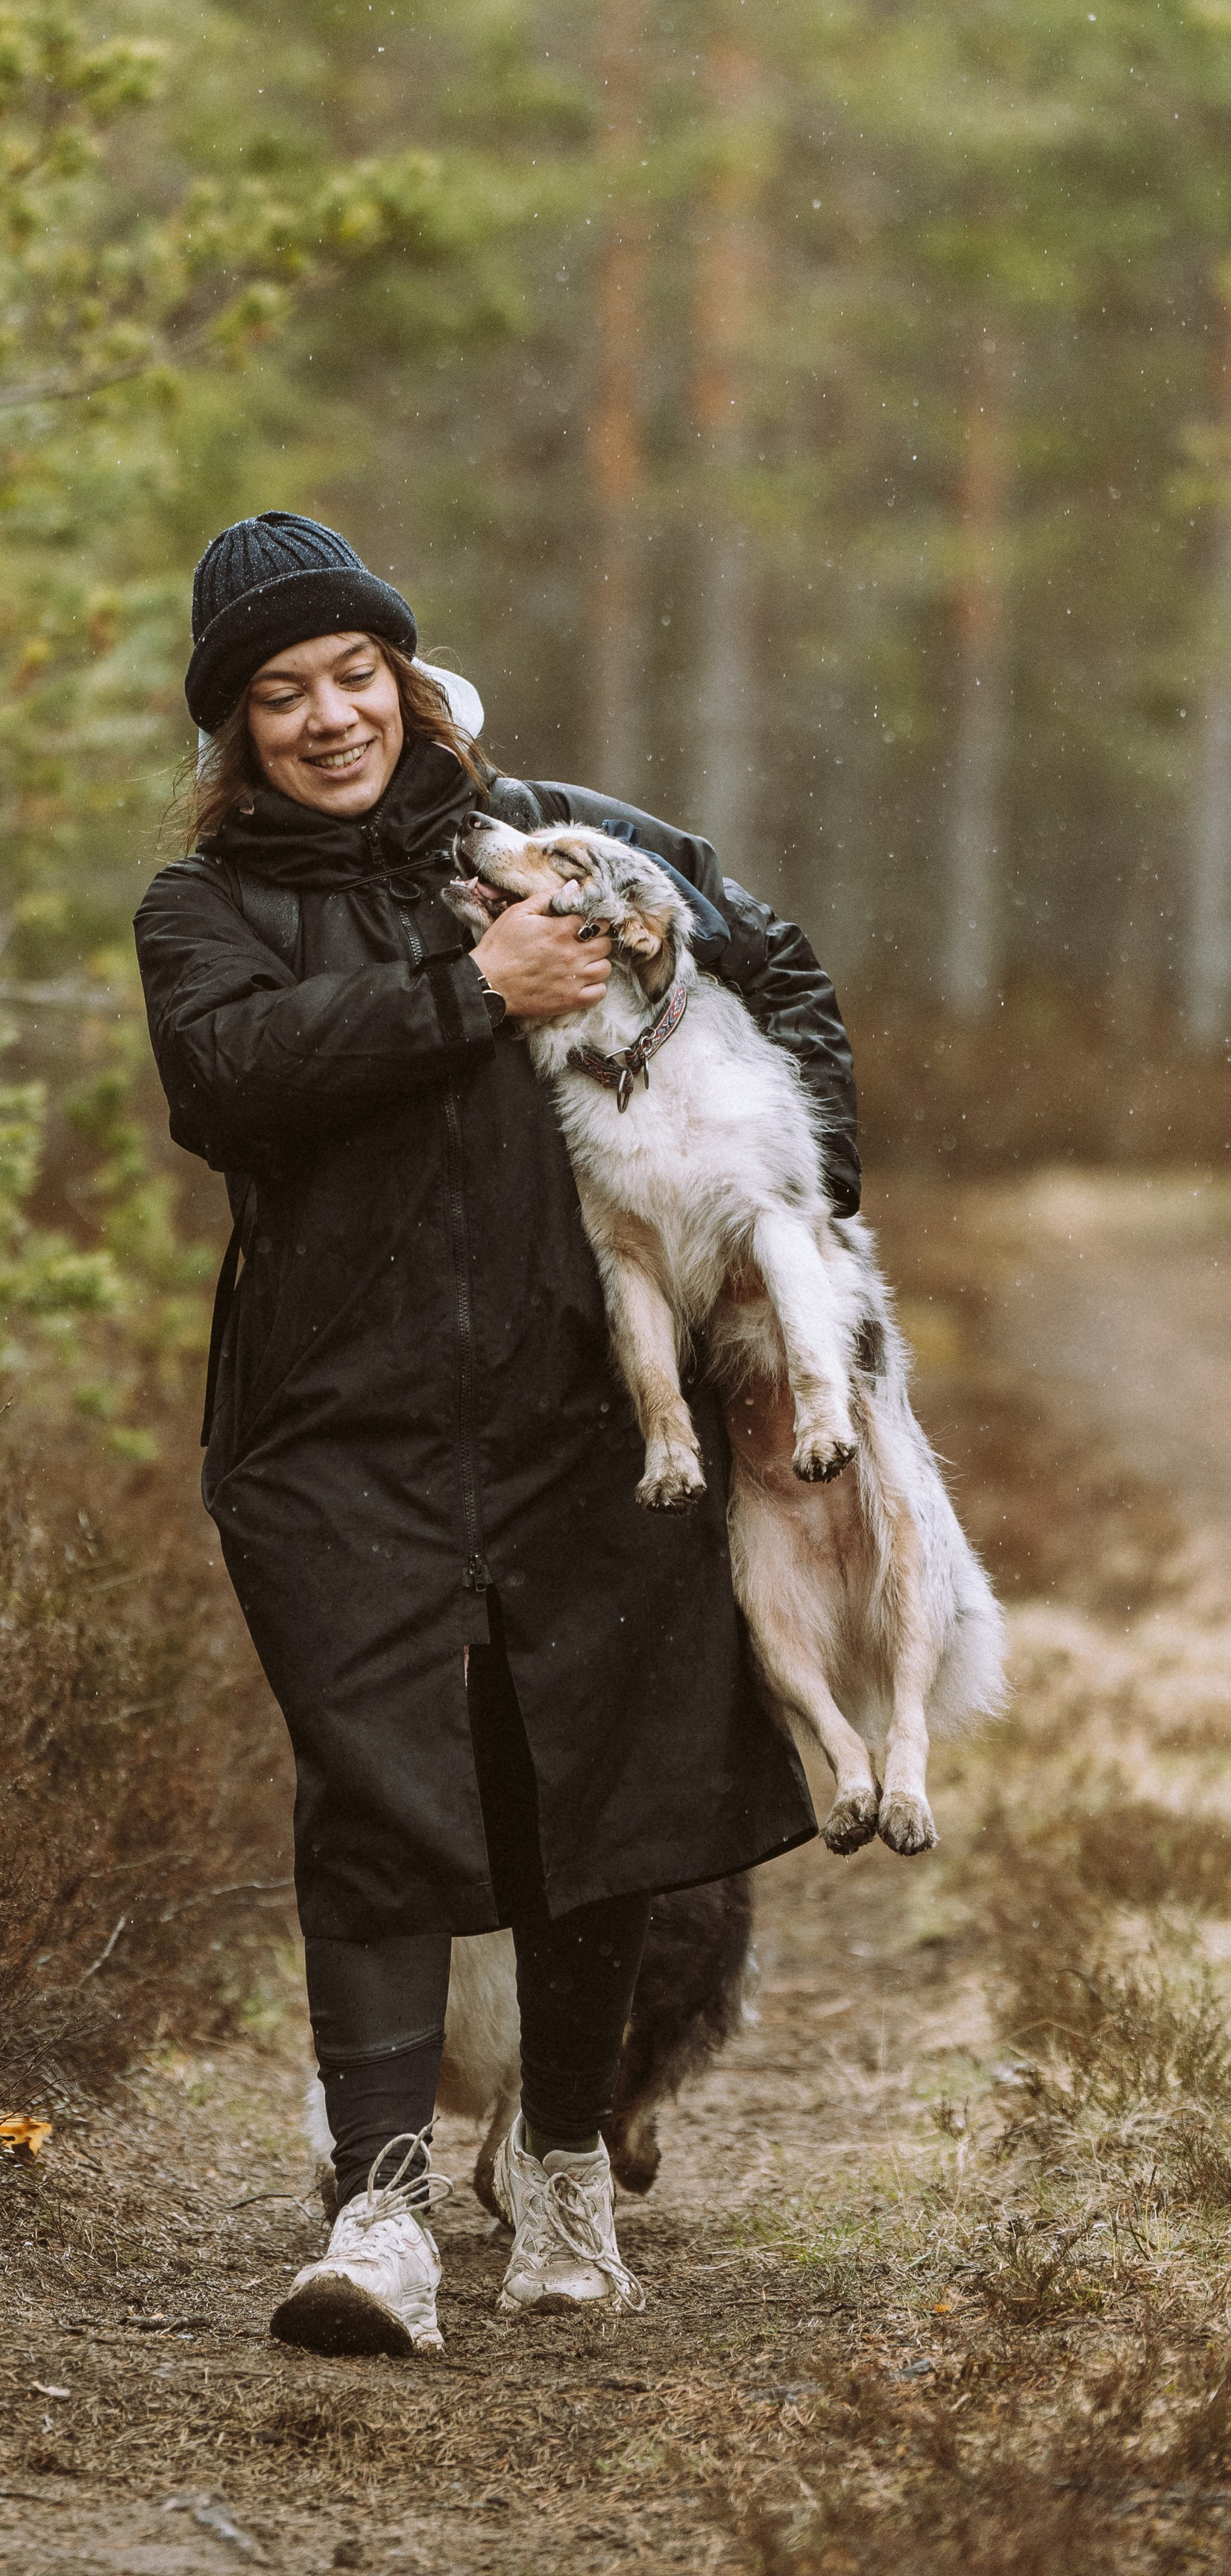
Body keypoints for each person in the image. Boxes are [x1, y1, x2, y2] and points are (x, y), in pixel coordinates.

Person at [134, 512, 855, 2359]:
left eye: (350, 673)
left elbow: (773, 965)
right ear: (235, 730)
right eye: (277, 694)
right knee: (377, 1791)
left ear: (401, 676)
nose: (326, 717)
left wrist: (797, 1208)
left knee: (584, 1791)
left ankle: (560, 2168)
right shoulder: (201, 912)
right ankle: (377, 2212)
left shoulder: (553, 837)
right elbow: (230, 1081)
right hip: (332, 1425)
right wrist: (475, 992)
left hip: (587, 1408)